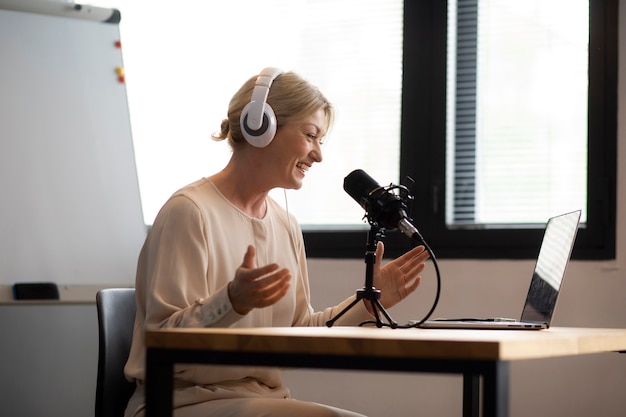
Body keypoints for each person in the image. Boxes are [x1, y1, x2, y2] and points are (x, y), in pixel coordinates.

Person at [123, 68, 430, 417]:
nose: (318, 155)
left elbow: (299, 333)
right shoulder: (189, 212)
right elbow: (161, 340)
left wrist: (370, 302)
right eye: (310, 135)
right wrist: (231, 301)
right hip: (181, 402)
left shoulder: (285, 225)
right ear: (261, 126)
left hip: (263, 401)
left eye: (321, 141)